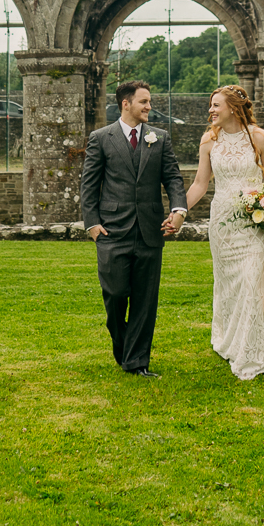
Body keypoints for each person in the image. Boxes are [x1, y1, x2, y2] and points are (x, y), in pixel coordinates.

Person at [181, 85, 264, 380]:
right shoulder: (209, 141)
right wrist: (179, 211)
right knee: (230, 287)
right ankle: (232, 340)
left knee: (252, 281)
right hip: (222, 224)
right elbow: (200, 183)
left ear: (234, 107)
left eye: (215, 105)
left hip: (254, 223)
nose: (211, 110)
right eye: (210, 106)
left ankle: (251, 352)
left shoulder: (259, 138)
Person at [78, 80, 187, 377]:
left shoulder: (159, 138)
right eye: (144, 102)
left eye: (149, 101)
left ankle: (137, 361)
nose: (149, 107)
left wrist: (178, 209)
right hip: (111, 232)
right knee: (115, 294)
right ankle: (124, 346)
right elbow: (89, 186)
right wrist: (93, 224)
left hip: (151, 231)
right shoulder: (101, 138)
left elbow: (173, 179)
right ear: (126, 104)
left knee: (145, 300)